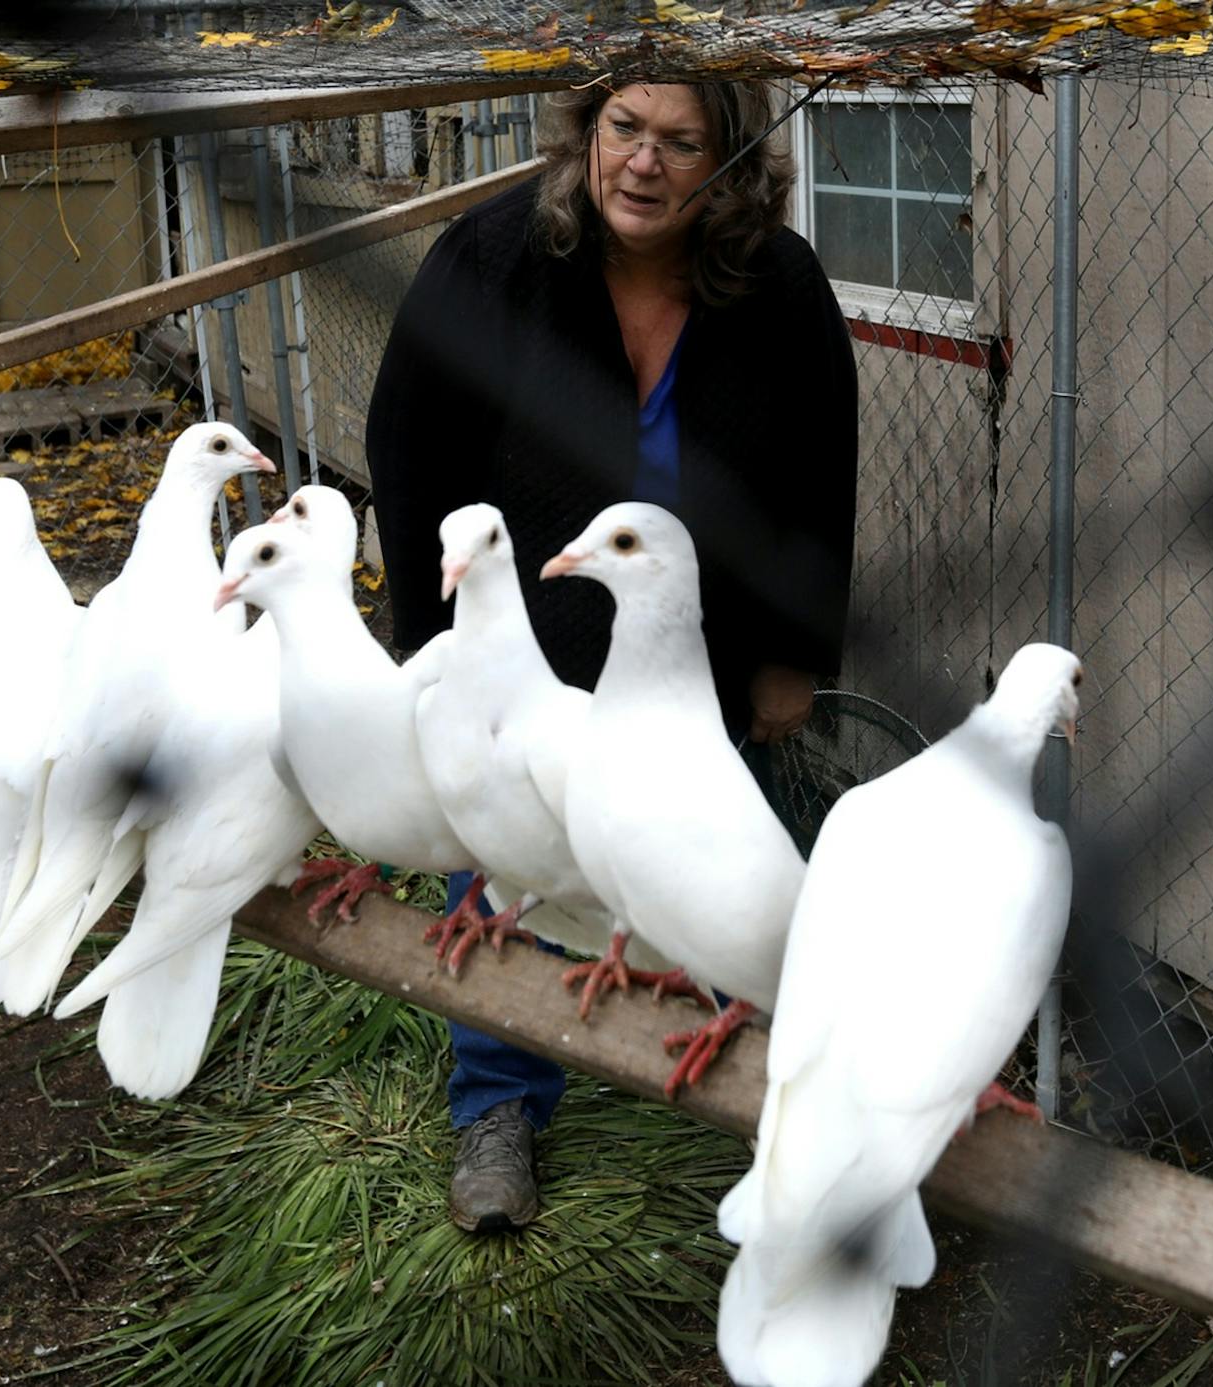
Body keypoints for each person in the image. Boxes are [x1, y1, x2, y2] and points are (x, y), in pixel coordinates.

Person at [364, 80, 859, 1234]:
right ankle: (498, 1108)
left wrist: (794, 654)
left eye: (680, 142)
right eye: (623, 130)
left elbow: (816, 475)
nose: (644, 164)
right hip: (528, 654)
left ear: (729, 165)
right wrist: (442, 653)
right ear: (587, 135)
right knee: (500, 867)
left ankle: (753, 1099)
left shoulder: (778, 286)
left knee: (700, 877)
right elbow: (407, 439)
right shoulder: (493, 259)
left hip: (690, 668)